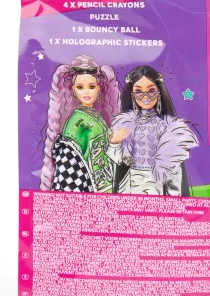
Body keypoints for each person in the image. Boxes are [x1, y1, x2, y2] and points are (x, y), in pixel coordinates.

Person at [107, 66, 197, 196]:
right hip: (130, 185)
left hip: (155, 185)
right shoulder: (126, 124)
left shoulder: (167, 128)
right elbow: (118, 160)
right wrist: (114, 142)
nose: (145, 96)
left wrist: (175, 197)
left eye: (151, 91)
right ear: (132, 94)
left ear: (159, 92)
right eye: (138, 91)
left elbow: (173, 169)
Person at [40, 55, 120, 192]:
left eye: (92, 86)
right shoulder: (76, 122)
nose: (86, 92)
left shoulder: (96, 116)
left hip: (106, 183)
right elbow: (71, 165)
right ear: (74, 90)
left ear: (99, 89)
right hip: (88, 188)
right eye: (80, 87)